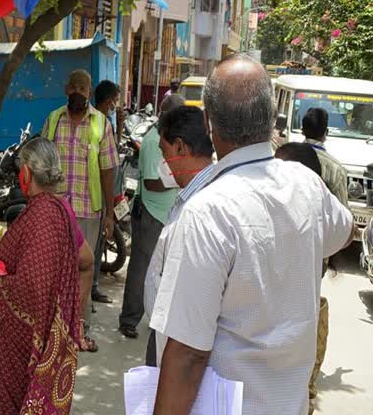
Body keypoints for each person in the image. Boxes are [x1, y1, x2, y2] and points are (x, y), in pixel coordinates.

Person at [150, 55, 354, 415]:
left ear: (209, 122)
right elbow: (347, 230)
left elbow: (187, 355)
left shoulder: (207, 211)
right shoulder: (306, 185)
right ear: (272, 117)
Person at [0, 137, 83, 415]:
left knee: (1, 402)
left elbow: (32, 284)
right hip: (31, 329)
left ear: (26, 173)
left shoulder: (42, 214)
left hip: (20, 336)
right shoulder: (54, 209)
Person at [142, 106, 214, 366]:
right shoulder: (189, 195)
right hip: (166, 334)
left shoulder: (204, 206)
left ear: (181, 148)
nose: (163, 163)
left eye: (164, 152)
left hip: (178, 345)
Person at [43, 70, 118, 314]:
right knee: (54, 268)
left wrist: (109, 213)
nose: (77, 92)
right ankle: (53, 323)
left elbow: (108, 170)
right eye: (73, 86)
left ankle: (79, 326)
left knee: (82, 270)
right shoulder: (53, 119)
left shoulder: (101, 123)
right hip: (56, 210)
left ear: (89, 91)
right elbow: (42, 163)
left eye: (83, 88)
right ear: (67, 89)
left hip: (88, 210)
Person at [288, 109, 347, 415]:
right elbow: (343, 223)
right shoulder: (335, 169)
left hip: (279, 251)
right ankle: (305, 380)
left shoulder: (284, 158)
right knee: (307, 309)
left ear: (302, 128)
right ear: (326, 132)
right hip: (315, 256)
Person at [118, 94, 184, 338]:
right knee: (141, 270)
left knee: (161, 270)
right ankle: (129, 319)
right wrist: (178, 178)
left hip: (163, 212)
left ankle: (154, 316)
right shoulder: (153, 141)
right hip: (150, 212)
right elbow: (152, 183)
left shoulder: (166, 138)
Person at [90, 79, 123, 304]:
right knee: (93, 246)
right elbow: (107, 169)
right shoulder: (100, 123)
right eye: (115, 100)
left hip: (99, 195)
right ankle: (90, 288)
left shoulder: (105, 122)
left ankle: (92, 286)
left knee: (96, 245)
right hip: (96, 196)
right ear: (110, 100)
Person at [302, 108, 348, 205]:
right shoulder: (336, 169)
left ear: (302, 131)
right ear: (326, 132)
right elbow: (343, 212)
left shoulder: (286, 159)